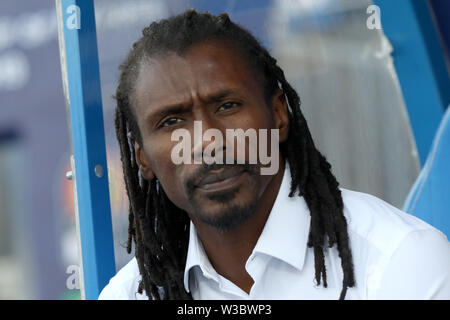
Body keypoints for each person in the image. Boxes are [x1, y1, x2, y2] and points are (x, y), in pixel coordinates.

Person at [99, 9, 450, 300]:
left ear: (279, 114)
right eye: (172, 121)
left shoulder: (399, 260)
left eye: (227, 105)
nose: (206, 141)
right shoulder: (130, 295)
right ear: (142, 158)